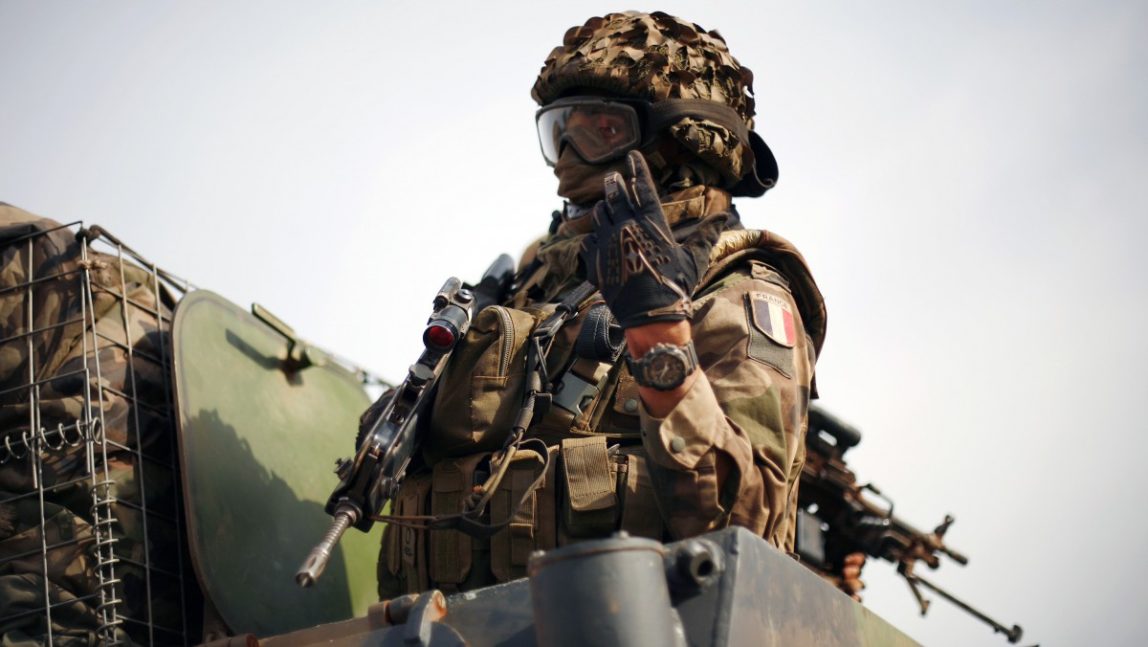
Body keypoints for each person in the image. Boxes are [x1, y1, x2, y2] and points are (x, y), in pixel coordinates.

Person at [374, 11, 833, 597]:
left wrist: (660, 334)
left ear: (679, 147)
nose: (565, 158)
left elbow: (751, 532)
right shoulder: (538, 278)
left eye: (600, 131)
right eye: (558, 130)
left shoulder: (741, 290)